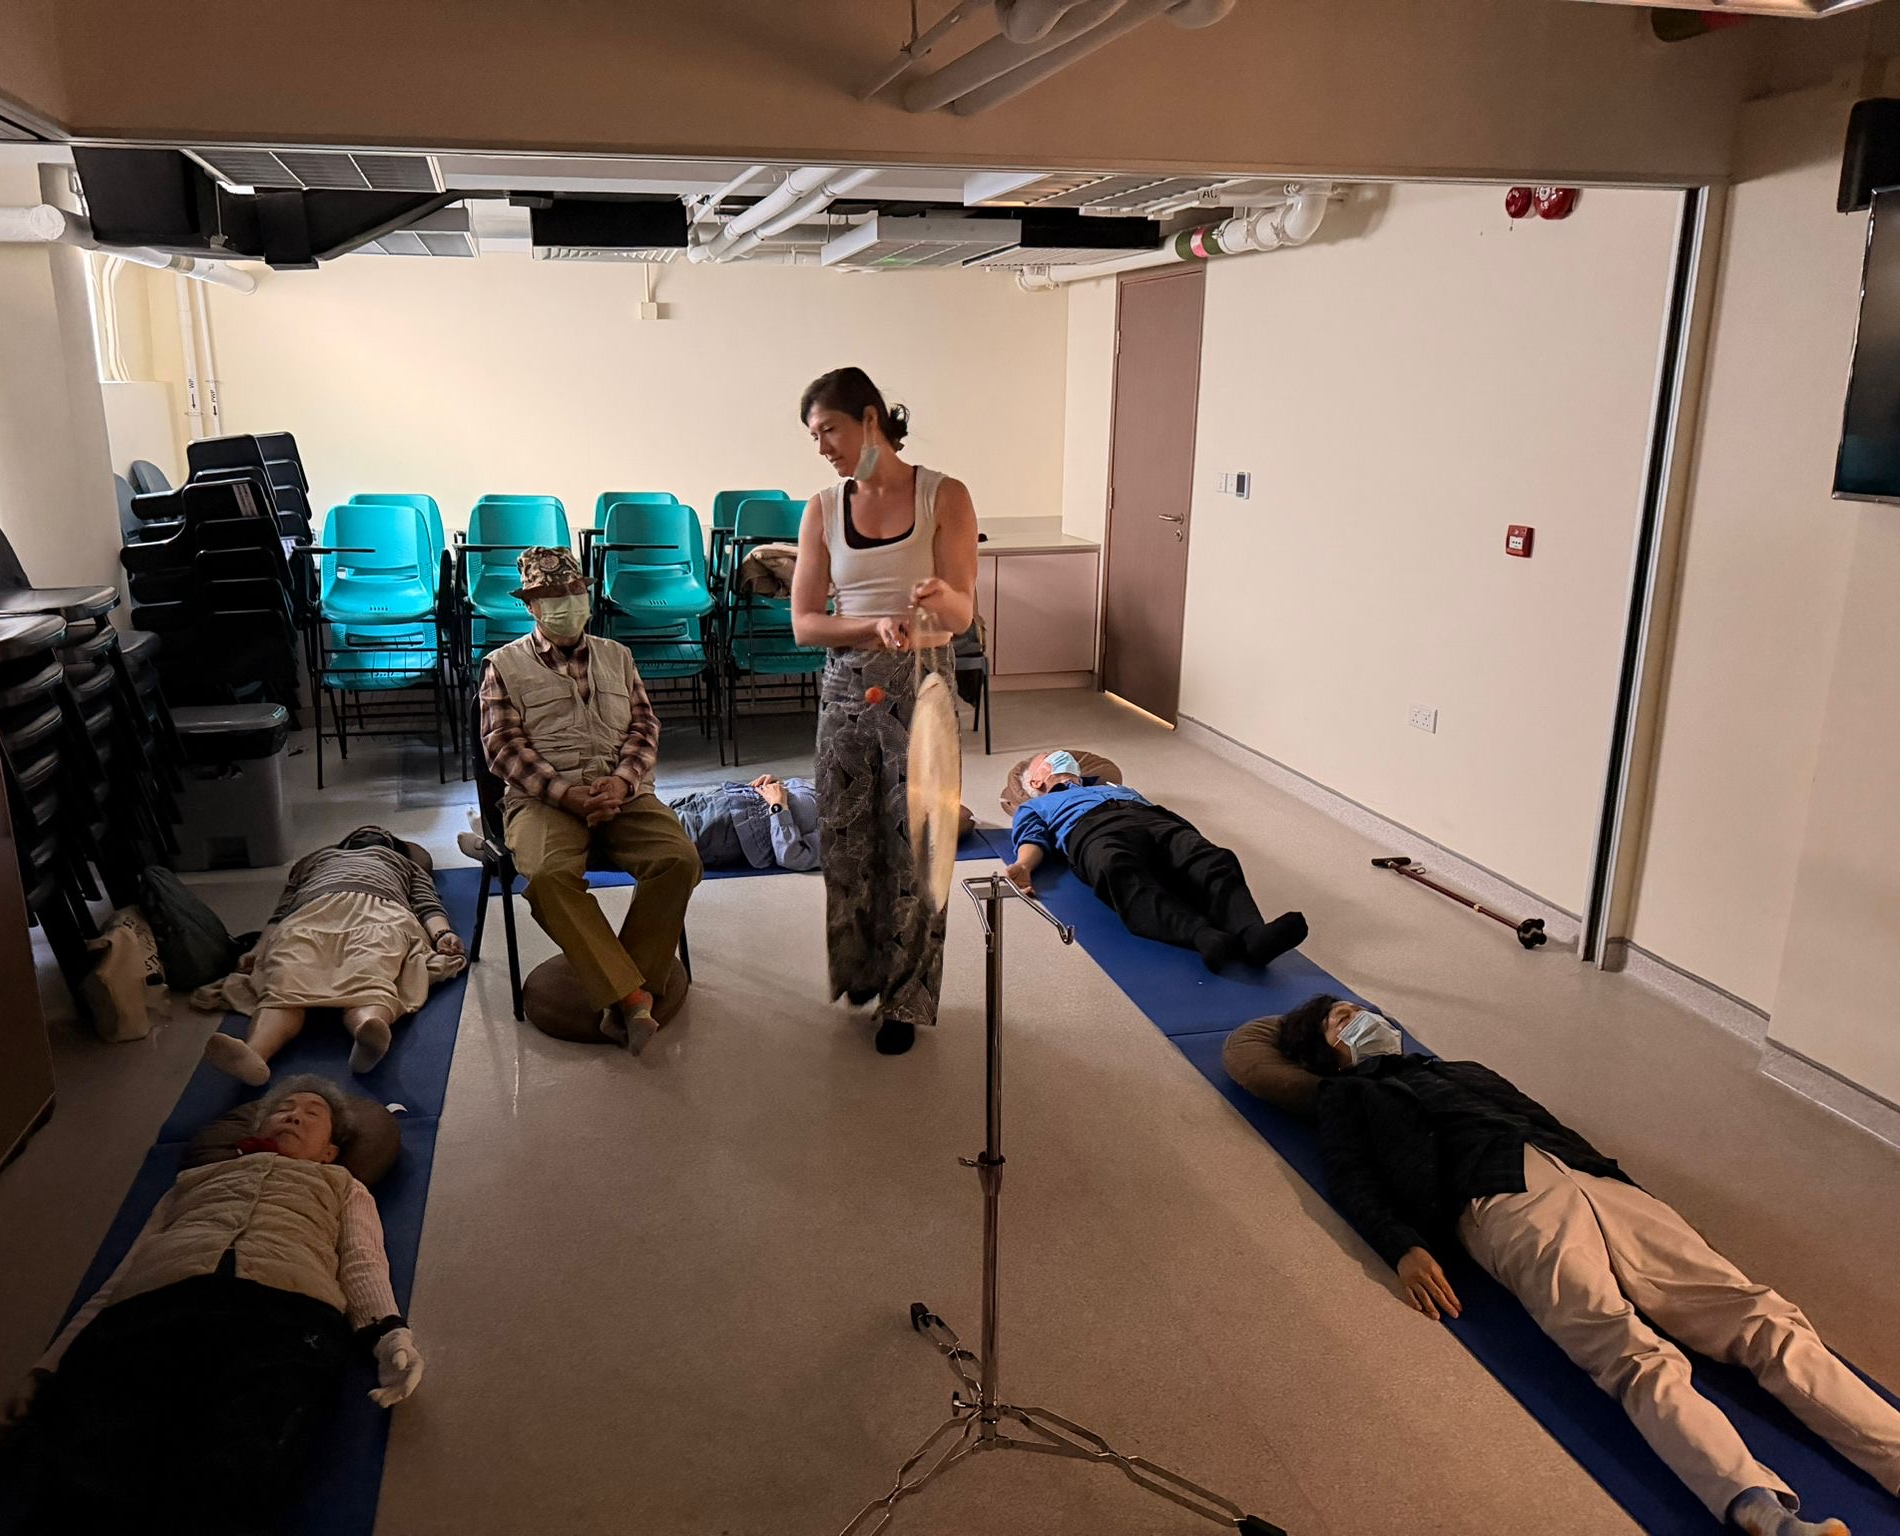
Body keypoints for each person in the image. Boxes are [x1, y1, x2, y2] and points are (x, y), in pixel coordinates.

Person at [1264, 995, 1899, 1536]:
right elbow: (1351, 1177)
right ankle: (1760, 1509)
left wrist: (1630, 1190)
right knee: (1625, 1349)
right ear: (1328, 1052)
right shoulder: (1348, 1094)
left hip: (1598, 1182)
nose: (1363, 1018)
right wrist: (1401, 1246)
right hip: (1499, 1199)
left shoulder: (1462, 1068)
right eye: (1341, 1019)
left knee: (1758, 1312)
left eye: (1358, 1009)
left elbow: (1550, 1122)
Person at [0, 1078, 423, 1536]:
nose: (294, 1115)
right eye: (284, 1109)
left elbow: (362, 1259)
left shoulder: (342, 1185)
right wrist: (49, 1367)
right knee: (91, 1459)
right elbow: (121, 1274)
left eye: (312, 1113)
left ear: (329, 1152)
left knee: (238, 1463)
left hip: (285, 1313)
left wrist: (388, 1333)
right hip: (151, 1309)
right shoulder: (194, 1181)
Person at [791, 366, 978, 1056]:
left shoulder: (943, 496)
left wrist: (937, 599)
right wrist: (871, 626)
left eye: (829, 431)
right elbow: (806, 624)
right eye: (814, 436)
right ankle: (863, 972)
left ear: (870, 420)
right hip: (846, 690)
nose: (822, 448)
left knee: (917, 849)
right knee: (847, 843)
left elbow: (962, 612)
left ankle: (906, 1000)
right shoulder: (821, 509)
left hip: (922, 690)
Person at [479, 546, 702, 1056]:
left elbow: (644, 728)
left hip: (622, 794)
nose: (567, 601)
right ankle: (631, 997)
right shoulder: (503, 665)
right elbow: (503, 748)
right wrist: (566, 795)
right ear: (530, 606)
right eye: (551, 595)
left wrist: (623, 782)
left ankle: (627, 989)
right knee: (548, 876)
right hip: (543, 800)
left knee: (679, 859)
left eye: (574, 590)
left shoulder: (617, 656)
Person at [199, 826, 465, 1085]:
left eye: (383, 834)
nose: (372, 832)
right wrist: (259, 948)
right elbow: (283, 910)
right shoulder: (318, 861)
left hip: (379, 914)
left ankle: (367, 1034)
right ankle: (255, 1054)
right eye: (363, 832)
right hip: (310, 914)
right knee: (285, 979)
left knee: (370, 974)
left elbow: (426, 902)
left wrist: (442, 934)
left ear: (395, 848)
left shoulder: (406, 865)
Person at [1004, 749, 1307, 971]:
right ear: (1037, 780)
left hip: (1152, 819)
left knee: (1211, 858)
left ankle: (1253, 935)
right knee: (1116, 869)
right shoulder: (1037, 805)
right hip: (1091, 831)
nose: (1061, 756)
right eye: (1049, 758)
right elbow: (1032, 838)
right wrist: (1024, 866)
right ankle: (1200, 935)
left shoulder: (1110, 787)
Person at [669, 773, 820, 871]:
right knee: (660, 814)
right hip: (723, 797)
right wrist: (777, 783)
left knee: (663, 839)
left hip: (727, 830)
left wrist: (778, 805)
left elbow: (793, 857)